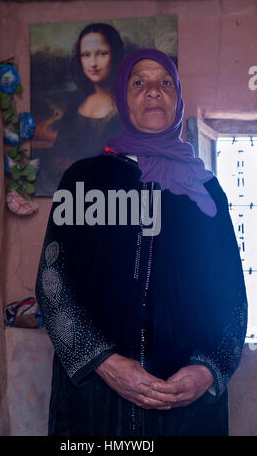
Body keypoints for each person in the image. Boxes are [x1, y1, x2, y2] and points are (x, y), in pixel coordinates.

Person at [35, 48, 248, 436]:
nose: (153, 91)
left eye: (165, 82)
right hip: (96, 399)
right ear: (123, 98)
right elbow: (53, 284)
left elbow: (231, 297)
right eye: (139, 83)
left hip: (185, 405)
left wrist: (206, 371)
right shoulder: (83, 181)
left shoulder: (206, 190)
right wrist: (104, 362)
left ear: (178, 99)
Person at [33, 23, 124, 196]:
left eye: (102, 54)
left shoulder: (125, 109)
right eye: (86, 55)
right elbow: (59, 152)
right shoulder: (76, 103)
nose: (93, 63)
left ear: (116, 55)